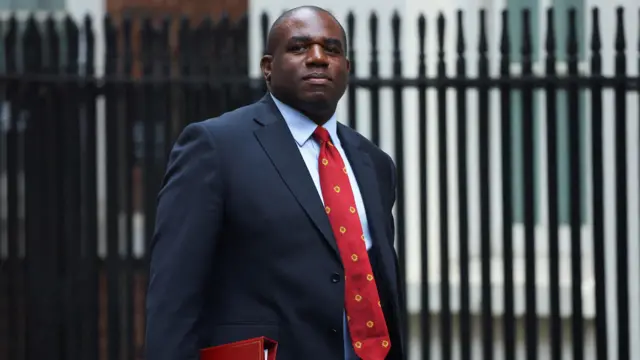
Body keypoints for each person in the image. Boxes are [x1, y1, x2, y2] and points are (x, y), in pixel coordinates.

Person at [145, 5, 406, 360]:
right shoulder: (215, 147)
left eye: (331, 49)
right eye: (299, 47)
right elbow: (173, 295)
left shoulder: (374, 163)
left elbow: (377, 285)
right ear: (268, 67)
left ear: (347, 68)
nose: (318, 58)